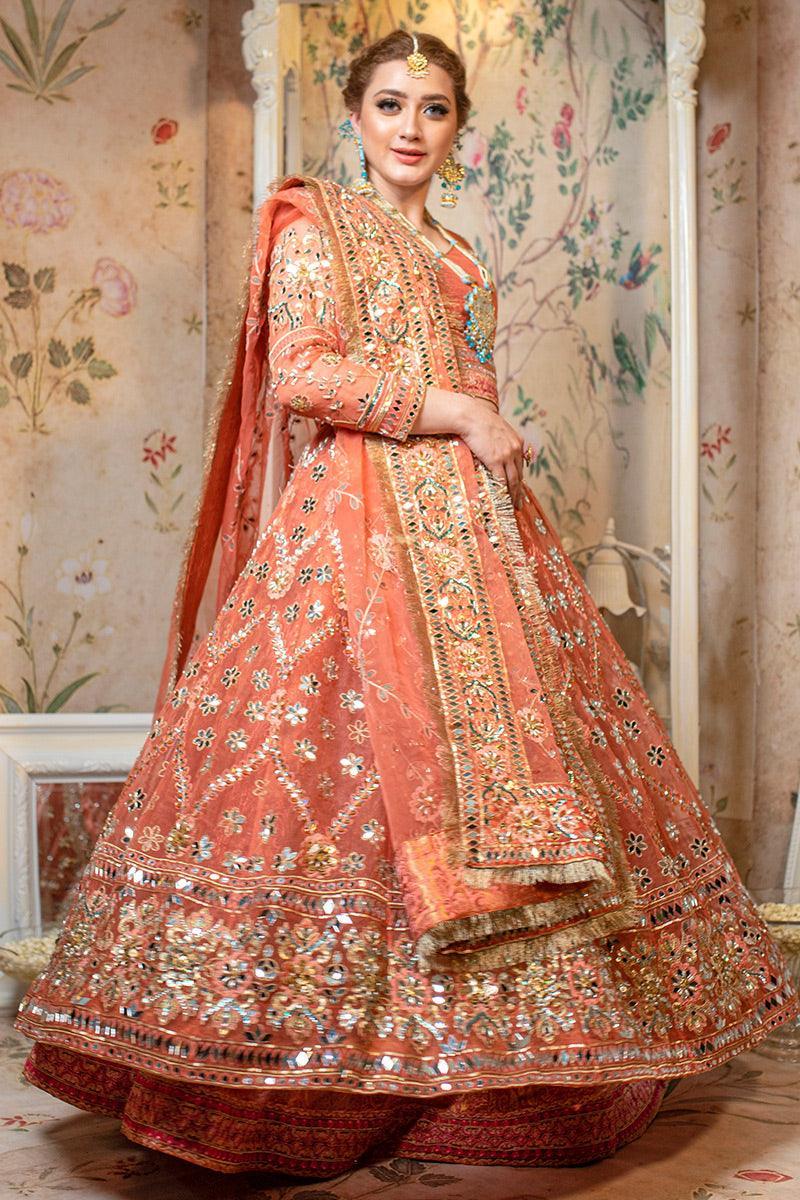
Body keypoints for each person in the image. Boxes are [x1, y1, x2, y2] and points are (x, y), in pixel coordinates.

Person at [14, 29, 798, 1178]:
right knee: (339, 768)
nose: (410, 129)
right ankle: (308, 1067)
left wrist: (482, 431)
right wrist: (460, 413)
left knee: (512, 767)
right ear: (354, 115)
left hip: (474, 538)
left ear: (456, 126)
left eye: (432, 109)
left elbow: (475, 377)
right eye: (389, 104)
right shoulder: (313, 228)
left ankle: (503, 1064)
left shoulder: (464, 258)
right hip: (352, 526)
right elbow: (304, 375)